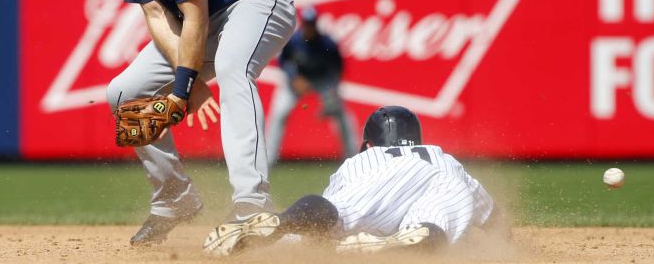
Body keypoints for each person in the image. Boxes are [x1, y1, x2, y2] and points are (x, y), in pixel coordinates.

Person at [71, 0, 296, 245]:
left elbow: (193, 16)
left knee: (232, 68)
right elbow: (157, 14)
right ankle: (173, 196)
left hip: (258, 0)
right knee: (122, 93)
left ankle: (252, 205)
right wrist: (189, 81)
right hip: (202, 22)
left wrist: (183, 86)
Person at [204, 106, 500, 257]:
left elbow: (323, 219)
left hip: (380, 176)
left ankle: (280, 221)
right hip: (445, 181)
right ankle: (407, 239)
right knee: (435, 225)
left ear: (370, 144)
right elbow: (493, 217)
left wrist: (288, 231)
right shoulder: (443, 158)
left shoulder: (363, 160)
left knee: (338, 215)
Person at [266, 6, 358, 166]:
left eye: (312, 24)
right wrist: (294, 77)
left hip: (322, 81)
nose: (309, 27)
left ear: (316, 24)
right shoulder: (294, 41)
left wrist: (330, 97)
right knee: (279, 112)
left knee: (341, 115)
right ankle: (268, 159)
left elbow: (337, 68)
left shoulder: (327, 43)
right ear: (303, 23)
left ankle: (353, 157)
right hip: (298, 80)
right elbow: (282, 61)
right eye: (307, 24)